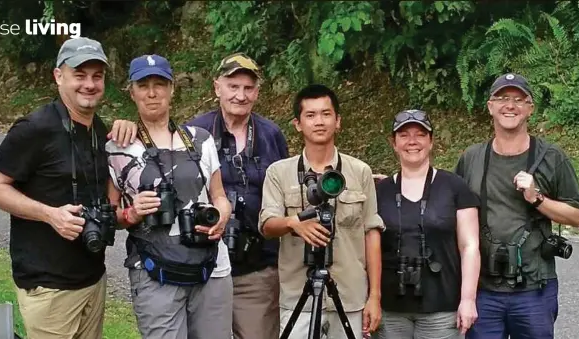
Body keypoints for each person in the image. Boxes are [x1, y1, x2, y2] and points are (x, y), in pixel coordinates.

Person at [0, 37, 137, 339]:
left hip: (93, 279)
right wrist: (49, 214)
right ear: (58, 76)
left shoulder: (100, 130)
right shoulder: (35, 128)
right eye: (79, 75)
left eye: (97, 76)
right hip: (49, 286)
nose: (89, 84)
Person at [105, 54, 233, 339]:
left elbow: (220, 196)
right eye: (144, 85)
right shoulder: (117, 147)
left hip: (211, 267)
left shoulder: (201, 139)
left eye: (160, 84)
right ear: (132, 91)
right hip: (154, 270)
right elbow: (108, 215)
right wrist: (132, 213)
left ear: (172, 88)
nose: (152, 93)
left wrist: (222, 217)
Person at [454, 73, 579, 339]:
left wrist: (537, 198)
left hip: (534, 288)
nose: (510, 105)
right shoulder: (472, 158)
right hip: (483, 290)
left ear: (530, 109)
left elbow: (578, 216)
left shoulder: (552, 158)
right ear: (490, 106)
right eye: (502, 98)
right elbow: (449, 206)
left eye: (518, 99)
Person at [259, 84, 384, 339]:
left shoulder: (359, 171)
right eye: (311, 115)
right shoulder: (279, 172)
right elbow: (267, 225)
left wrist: (374, 297)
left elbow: (371, 233)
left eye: (326, 114)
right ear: (297, 123)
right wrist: (294, 223)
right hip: (298, 298)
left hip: (349, 296)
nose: (319, 122)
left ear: (338, 121)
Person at [187, 52, 288, 339]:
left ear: (257, 92)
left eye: (248, 88)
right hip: (205, 262)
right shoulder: (194, 133)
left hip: (257, 268)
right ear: (217, 86)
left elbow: (290, 186)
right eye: (233, 86)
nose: (240, 95)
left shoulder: (271, 135)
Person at [374, 110, 480, 339]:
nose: (412, 141)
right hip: (391, 309)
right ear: (394, 143)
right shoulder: (379, 191)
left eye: (420, 134)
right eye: (404, 135)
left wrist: (468, 299)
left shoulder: (455, 187)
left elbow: (469, 246)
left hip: (441, 306)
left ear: (431, 141)